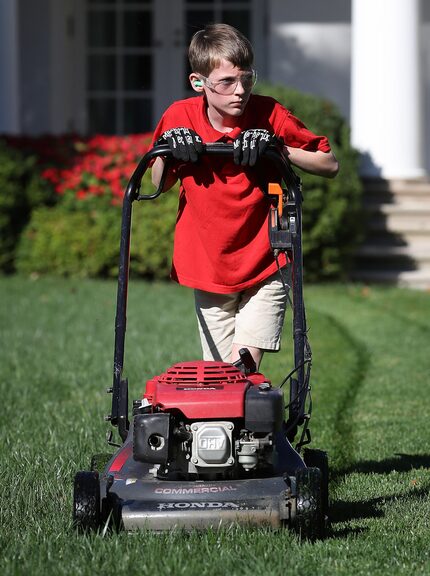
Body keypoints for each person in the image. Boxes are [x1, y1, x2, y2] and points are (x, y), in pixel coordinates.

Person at [151, 23, 338, 369]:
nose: (240, 91)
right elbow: (157, 184)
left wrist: (277, 148)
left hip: (268, 261)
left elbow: (328, 163)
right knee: (220, 376)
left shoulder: (269, 114)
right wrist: (168, 152)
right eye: (226, 82)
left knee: (241, 368)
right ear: (198, 83)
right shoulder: (180, 116)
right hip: (209, 265)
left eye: (247, 79)